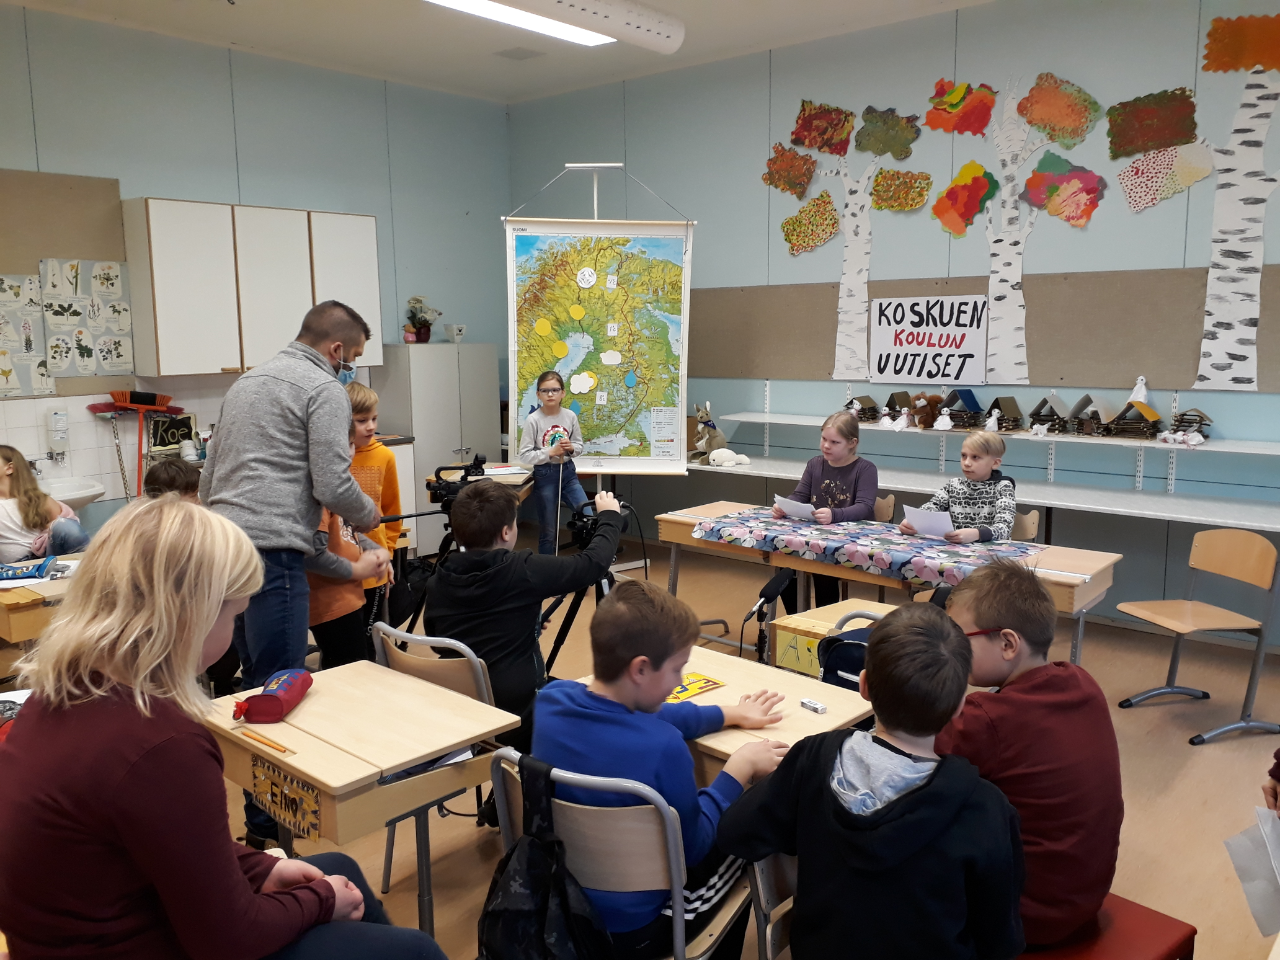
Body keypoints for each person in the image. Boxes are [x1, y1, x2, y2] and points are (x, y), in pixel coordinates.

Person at [0, 496, 446, 960]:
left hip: (64, 935)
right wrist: (320, 900)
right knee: (413, 950)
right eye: (234, 615)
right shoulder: (161, 745)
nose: (236, 631)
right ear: (189, 616)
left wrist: (260, 869)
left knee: (337, 867)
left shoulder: (56, 695)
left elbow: (164, 840)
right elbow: (229, 941)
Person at [718, 603, 1025, 960]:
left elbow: (735, 833)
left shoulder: (812, 759)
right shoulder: (986, 809)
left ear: (863, 685)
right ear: (960, 706)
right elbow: (999, 939)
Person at [533, 579, 789, 960]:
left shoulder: (551, 701)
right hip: (641, 930)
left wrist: (728, 713)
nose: (681, 681)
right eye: (677, 669)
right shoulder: (664, 749)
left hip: (563, 902)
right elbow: (696, 849)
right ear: (640, 669)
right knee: (749, 829)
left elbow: (649, 713)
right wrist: (738, 770)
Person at [200, 300, 378, 846]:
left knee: (253, 683)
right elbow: (332, 480)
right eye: (353, 357)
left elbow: (209, 476)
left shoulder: (248, 383)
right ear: (336, 349)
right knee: (278, 690)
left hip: (225, 549)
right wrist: (369, 515)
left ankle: (261, 827)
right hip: (272, 554)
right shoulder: (322, 387)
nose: (350, 368)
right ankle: (272, 834)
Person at [936, 560, 1122, 948]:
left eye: (958, 638)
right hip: (1081, 898)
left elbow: (912, 753)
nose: (949, 650)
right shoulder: (1082, 682)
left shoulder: (988, 719)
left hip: (1024, 919)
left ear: (1008, 644)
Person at [424, 479, 622, 754]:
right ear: (506, 532)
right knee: (600, 703)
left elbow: (438, 641)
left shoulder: (439, 577)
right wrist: (609, 517)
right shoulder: (522, 571)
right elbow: (592, 564)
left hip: (463, 705)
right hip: (518, 713)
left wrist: (516, 623)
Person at [307, 421, 393, 670]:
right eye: (341, 445)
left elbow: (346, 531)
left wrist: (375, 550)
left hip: (349, 599)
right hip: (331, 605)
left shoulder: (335, 490)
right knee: (349, 671)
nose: (348, 452)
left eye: (351, 444)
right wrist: (358, 570)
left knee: (356, 662)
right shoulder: (316, 495)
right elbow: (313, 554)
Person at [772, 411, 878, 613]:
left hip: (847, 541)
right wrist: (786, 505)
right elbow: (800, 494)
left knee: (823, 569)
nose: (826, 446)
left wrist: (834, 515)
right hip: (816, 537)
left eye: (834, 442)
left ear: (852, 443)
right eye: (823, 439)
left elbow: (865, 507)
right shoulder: (815, 464)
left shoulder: (865, 469)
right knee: (785, 564)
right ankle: (796, 619)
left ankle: (823, 621)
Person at [345, 381, 401, 658]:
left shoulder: (385, 456)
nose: (370, 427)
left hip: (375, 562)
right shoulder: (333, 458)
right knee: (348, 635)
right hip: (342, 564)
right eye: (361, 420)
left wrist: (387, 553)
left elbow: (392, 511)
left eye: (374, 419)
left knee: (372, 634)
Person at [901, 430, 1016, 543]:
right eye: (964, 456)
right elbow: (933, 506)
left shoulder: (1003, 487)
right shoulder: (954, 485)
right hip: (955, 549)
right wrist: (912, 522)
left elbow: (1004, 527)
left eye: (975, 457)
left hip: (991, 552)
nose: (966, 463)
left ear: (995, 463)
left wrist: (977, 534)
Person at [517, 371, 587, 555]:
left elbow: (579, 446)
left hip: (568, 474)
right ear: (538, 394)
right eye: (545, 390)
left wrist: (571, 448)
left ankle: (590, 562)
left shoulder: (570, 416)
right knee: (549, 530)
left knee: (588, 515)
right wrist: (550, 452)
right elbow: (524, 455)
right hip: (545, 475)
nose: (550, 394)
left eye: (555, 390)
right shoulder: (533, 420)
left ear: (562, 393)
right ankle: (547, 567)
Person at [0, 444, 90, 563]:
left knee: (65, 526)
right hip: (19, 565)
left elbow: (69, 527)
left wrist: (48, 531)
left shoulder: (37, 499)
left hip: (47, 557)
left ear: (9, 468)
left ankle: (92, 568)